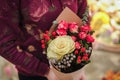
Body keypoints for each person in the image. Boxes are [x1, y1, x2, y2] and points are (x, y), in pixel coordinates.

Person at [0, 0, 89, 80]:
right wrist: (45, 71)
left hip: (71, 68)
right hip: (35, 73)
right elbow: (4, 44)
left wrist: (79, 64)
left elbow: (84, 18)